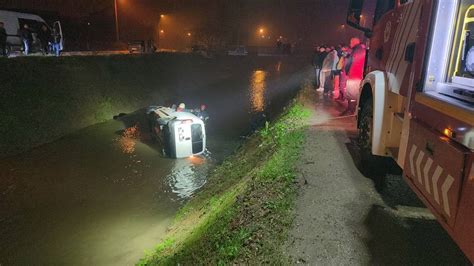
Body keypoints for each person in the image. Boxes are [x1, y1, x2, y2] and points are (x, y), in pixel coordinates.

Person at [342, 37, 366, 115]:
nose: (350, 44)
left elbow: (350, 62)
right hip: (356, 75)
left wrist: (346, 72)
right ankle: (351, 109)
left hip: (354, 76)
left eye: (351, 42)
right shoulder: (359, 50)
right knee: (352, 93)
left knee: (352, 94)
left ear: (355, 42)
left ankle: (351, 110)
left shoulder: (357, 51)